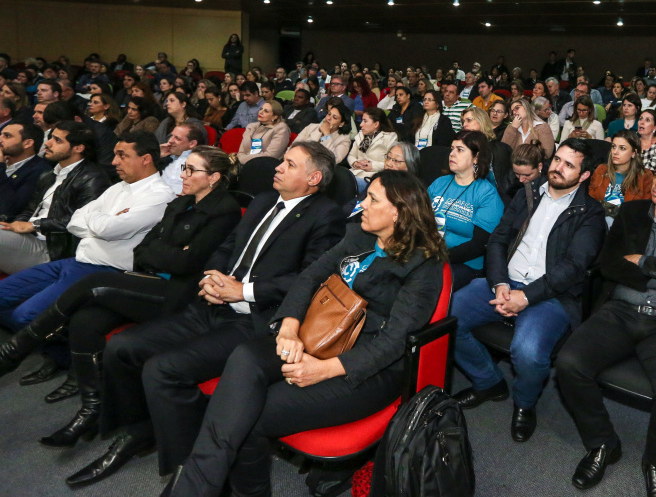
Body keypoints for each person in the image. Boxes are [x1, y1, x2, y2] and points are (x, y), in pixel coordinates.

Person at [66, 141, 347, 488]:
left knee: (162, 370)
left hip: (255, 320)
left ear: (314, 177)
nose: (278, 167)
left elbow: (311, 278)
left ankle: (192, 472)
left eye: (289, 164)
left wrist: (241, 291)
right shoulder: (261, 201)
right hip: (212, 304)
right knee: (122, 347)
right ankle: (139, 431)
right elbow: (227, 247)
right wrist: (212, 277)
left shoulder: (326, 215)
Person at [161, 169, 446, 495]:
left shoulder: (422, 263)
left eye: (372, 199)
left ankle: (201, 487)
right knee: (245, 357)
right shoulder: (359, 235)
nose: (362, 204)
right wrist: (289, 329)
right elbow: (309, 278)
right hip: (316, 334)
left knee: (248, 414)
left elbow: (394, 341)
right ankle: (198, 484)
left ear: (398, 212)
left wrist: (322, 370)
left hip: (364, 365)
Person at [0, 146, 241, 448]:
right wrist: (168, 255)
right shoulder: (181, 204)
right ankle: (91, 408)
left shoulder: (225, 210)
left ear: (214, 177)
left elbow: (186, 265)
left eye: (192, 170)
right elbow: (142, 251)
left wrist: (165, 256)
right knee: (85, 321)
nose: (184, 175)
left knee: (96, 283)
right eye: (184, 168)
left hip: (179, 295)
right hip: (146, 280)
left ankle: (14, 351)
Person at [555, 151, 656, 496]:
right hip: (620, 311)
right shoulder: (631, 213)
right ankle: (603, 443)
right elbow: (609, 266)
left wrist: (642, 260)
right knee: (569, 364)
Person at [450, 138, 605, 443]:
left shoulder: (590, 213)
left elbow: (573, 268)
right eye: (557, 159)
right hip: (505, 282)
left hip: (550, 295)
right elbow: (497, 240)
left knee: (529, 353)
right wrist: (500, 283)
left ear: (584, 175)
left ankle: (524, 404)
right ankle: (489, 381)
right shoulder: (528, 193)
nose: (558, 168)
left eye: (569, 165)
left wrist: (526, 296)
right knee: (447, 315)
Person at [0, 132, 174, 390]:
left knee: (27, 315)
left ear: (146, 159)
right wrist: (99, 221)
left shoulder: (160, 195)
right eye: (115, 154)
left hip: (105, 270)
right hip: (75, 261)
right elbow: (74, 221)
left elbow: (108, 229)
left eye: (122, 155)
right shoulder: (117, 187)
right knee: (3, 297)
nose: (114, 161)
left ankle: (70, 361)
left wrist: (96, 220)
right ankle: (61, 353)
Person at [0, 121, 109, 275]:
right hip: (30, 238)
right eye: (51, 137)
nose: (48, 143)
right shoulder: (49, 175)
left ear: (78, 148)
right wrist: (16, 225)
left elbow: (83, 222)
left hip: (52, 250)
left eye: (57, 140)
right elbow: (31, 209)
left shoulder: (93, 179)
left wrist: (35, 225)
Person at [428, 130, 504, 290]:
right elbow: (418, 219)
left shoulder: (486, 193)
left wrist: (438, 257)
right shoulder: (439, 183)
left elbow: (478, 245)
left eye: (460, 150)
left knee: (426, 281)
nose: (452, 154)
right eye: (452, 148)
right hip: (428, 253)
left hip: (464, 263)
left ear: (476, 158)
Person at [589, 129, 653, 228]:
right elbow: (590, 200)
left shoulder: (645, 176)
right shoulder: (601, 170)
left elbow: (644, 210)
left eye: (622, 148)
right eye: (613, 147)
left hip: (627, 227)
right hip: (597, 222)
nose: (615, 152)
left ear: (634, 153)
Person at [0, 121, 50, 222]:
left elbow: (7, 210)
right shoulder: (4, 163)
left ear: (27, 143)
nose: (0, 139)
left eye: (7, 136)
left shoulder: (40, 172)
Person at [348, 107, 398, 191]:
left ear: (376, 124)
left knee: (346, 183)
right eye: (362, 120)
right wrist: (355, 163)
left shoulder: (390, 137)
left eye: (365, 121)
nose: (361, 124)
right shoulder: (360, 135)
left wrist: (372, 166)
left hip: (374, 177)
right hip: (355, 173)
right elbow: (351, 155)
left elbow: (393, 163)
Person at [235, 100, 291, 165]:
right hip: (245, 163)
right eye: (261, 109)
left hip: (266, 166)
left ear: (275, 116)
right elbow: (241, 151)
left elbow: (270, 155)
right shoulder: (251, 127)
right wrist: (241, 160)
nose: (261, 112)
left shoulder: (281, 128)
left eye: (266, 111)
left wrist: (242, 160)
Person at [299, 99, 352, 164]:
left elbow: (334, 160)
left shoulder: (344, 139)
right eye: (329, 114)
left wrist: (327, 135)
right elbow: (293, 146)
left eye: (334, 117)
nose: (329, 118)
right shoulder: (311, 127)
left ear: (341, 123)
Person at [160, 123, 208, 194]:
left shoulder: (200, 163)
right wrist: (158, 156)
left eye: (177, 138)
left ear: (192, 144)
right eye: (171, 136)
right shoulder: (165, 155)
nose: (170, 141)